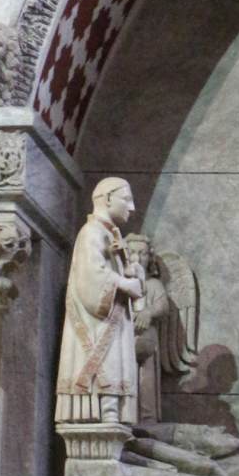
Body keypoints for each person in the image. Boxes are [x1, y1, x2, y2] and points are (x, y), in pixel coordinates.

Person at [55, 176, 145, 427]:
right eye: (126, 199)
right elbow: (91, 277)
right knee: (105, 369)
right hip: (98, 322)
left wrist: (134, 273)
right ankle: (103, 410)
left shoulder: (111, 235)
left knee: (115, 367)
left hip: (114, 323)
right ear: (106, 199)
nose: (133, 207)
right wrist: (125, 284)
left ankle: (111, 412)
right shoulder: (92, 233)